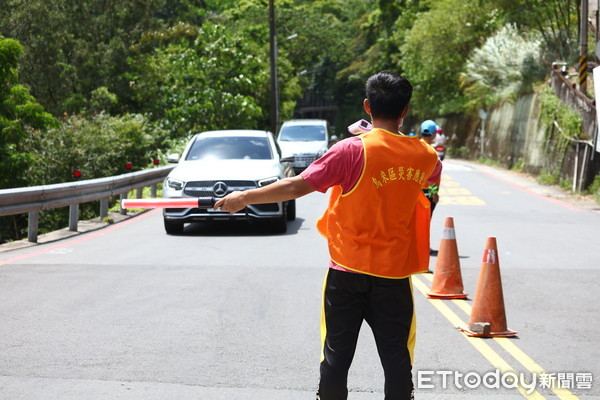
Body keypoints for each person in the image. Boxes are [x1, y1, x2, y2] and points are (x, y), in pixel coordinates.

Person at [215, 71, 438, 400]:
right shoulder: (426, 156)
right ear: (405, 111)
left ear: (366, 106)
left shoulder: (349, 151)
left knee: (336, 357)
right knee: (397, 360)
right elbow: (424, 180)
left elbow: (296, 186)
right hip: (394, 275)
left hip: (346, 272)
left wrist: (245, 197)